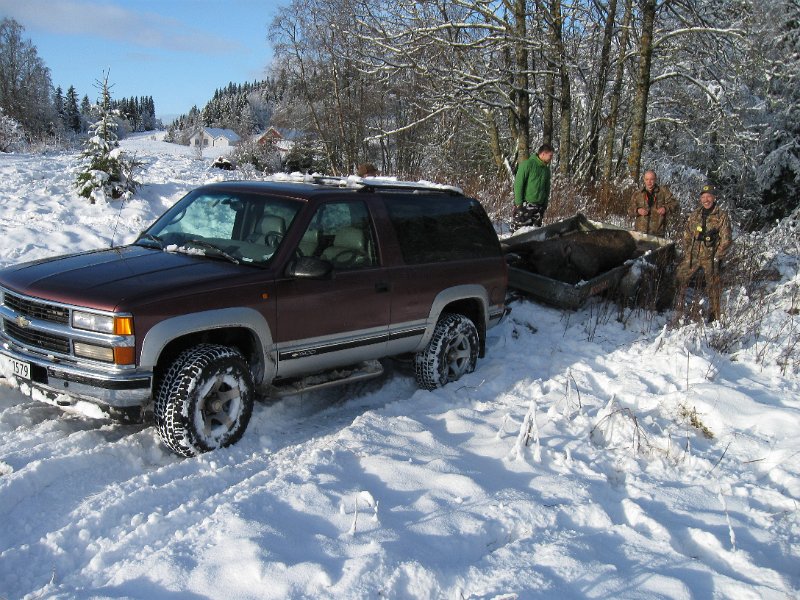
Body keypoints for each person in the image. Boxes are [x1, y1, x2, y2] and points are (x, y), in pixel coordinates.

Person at [674, 184, 733, 322]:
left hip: (711, 258)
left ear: (714, 197)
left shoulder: (721, 215)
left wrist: (718, 256)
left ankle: (714, 317)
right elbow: (687, 233)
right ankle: (675, 307)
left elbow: (727, 239)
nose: (706, 200)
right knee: (678, 277)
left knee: (713, 286)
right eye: (703, 197)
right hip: (693, 256)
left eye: (709, 196)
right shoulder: (695, 214)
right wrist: (688, 249)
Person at [512, 143, 554, 231]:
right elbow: (518, 184)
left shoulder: (546, 170)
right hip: (525, 206)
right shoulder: (528, 164)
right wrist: (519, 203)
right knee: (519, 233)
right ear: (543, 154)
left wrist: (545, 204)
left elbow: (547, 188)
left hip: (539, 207)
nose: (551, 158)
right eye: (550, 155)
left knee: (534, 235)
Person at [630, 170, 678, 237]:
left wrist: (665, 208)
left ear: (655, 179)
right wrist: (637, 210)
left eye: (651, 179)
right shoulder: (637, 194)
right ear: (644, 180)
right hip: (640, 234)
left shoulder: (663, 192)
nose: (649, 182)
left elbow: (675, 203)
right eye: (647, 179)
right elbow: (629, 210)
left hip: (657, 234)